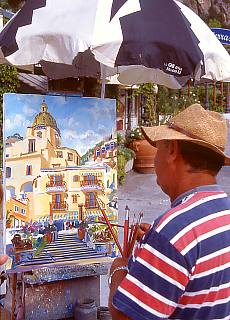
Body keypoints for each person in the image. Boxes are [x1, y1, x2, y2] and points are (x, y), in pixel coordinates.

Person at [109, 104, 230, 319]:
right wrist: (158, 248)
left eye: (159, 147)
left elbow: (124, 315)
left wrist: (118, 269)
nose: (155, 159)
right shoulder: (222, 212)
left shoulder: (173, 231)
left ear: (172, 150)